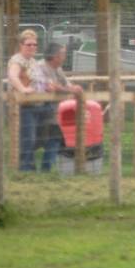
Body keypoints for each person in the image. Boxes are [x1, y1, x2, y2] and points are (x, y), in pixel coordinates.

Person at [33, 41, 83, 173]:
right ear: (56, 56)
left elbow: (65, 85)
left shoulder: (58, 69)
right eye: (63, 54)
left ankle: (47, 169)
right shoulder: (40, 67)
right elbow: (52, 88)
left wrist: (71, 88)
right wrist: (69, 89)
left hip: (53, 111)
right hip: (37, 109)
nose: (65, 56)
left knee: (56, 137)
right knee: (37, 141)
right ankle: (40, 169)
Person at [7, 29, 41, 171]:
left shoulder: (33, 61)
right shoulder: (17, 60)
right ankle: (25, 169)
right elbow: (13, 76)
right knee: (27, 138)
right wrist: (22, 89)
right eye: (28, 44)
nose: (32, 47)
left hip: (35, 103)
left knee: (34, 137)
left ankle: (30, 168)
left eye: (34, 44)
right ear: (21, 45)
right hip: (21, 105)